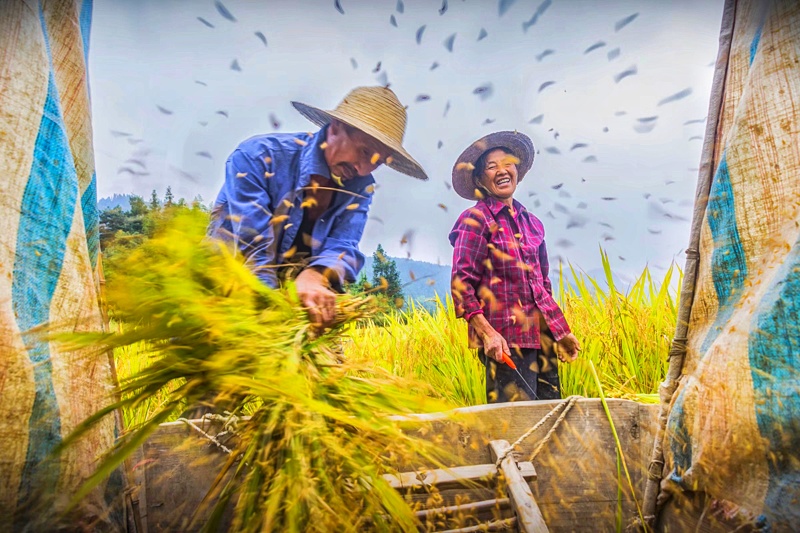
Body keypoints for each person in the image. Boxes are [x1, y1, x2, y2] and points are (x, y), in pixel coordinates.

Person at [208, 86, 428, 327]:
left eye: (378, 162)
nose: (363, 169)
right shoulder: (258, 157)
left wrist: (315, 276)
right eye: (364, 152)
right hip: (224, 288)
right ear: (335, 128)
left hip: (295, 305)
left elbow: (344, 245)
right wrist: (273, 313)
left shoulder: (360, 187)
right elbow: (253, 250)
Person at [449, 131, 580, 403]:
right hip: (506, 343)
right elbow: (462, 286)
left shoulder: (532, 224)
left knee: (551, 422)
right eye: (491, 166)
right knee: (517, 429)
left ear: (517, 170)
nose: (501, 171)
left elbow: (542, 287)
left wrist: (560, 332)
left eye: (507, 163)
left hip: (541, 341)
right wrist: (488, 335)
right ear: (480, 180)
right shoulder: (476, 220)